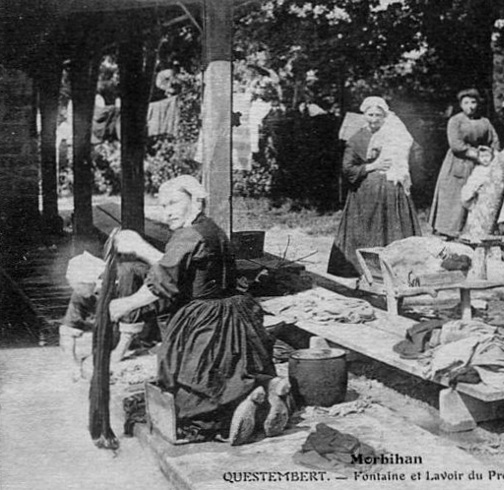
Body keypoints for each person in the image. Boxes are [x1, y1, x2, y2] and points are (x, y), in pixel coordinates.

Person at [108, 175, 290, 444]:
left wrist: (124, 303)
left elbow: (162, 283)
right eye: (163, 205)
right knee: (228, 373)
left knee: (187, 399)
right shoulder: (210, 229)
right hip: (236, 315)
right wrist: (142, 250)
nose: (167, 211)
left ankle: (234, 413)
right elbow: (178, 268)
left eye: (173, 203)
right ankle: (264, 389)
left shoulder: (188, 235)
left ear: (196, 202)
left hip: (204, 321)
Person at [327, 96, 422, 277]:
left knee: (393, 230)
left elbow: (411, 151)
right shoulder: (357, 138)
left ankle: (397, 270)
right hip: (366, 194)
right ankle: (363, 270)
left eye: (378, 115)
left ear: (384, 116)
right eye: (370, 114)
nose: (374, 119)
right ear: (364, 115)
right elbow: (347, 169)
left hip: (392, 191)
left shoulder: (393, 133)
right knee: (368, 232)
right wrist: (373, 166)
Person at [429, 89, 500, 237]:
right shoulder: (455, 121)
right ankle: (448, 231)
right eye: (466, 102)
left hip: (480, 165)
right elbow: (456, 145)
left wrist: (489, 154)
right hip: (458, 162)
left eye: (473, 102)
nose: (471, 106)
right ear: (461, 104)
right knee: (454, 197)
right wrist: (475, 154)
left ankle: (474, 231)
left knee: (477, 195)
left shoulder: (484, 121)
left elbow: (494, 141)